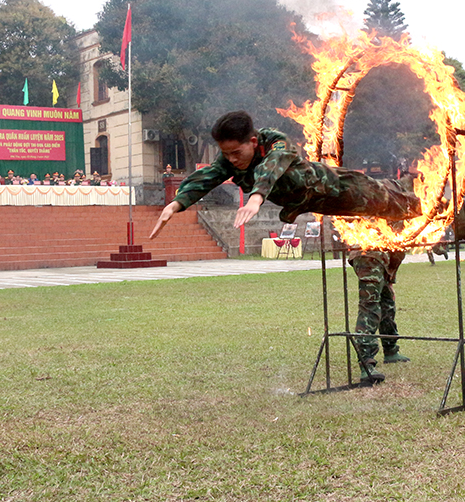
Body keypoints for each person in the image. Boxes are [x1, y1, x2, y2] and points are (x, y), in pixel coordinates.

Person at [150, 111, 422, 239]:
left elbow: (274, 164)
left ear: (253, 141)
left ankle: (436, 204)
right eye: (227, 154)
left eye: (236, 152)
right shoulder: (229, 161)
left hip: (338, 186)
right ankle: (413, 194)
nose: (232, 159)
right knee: (384, 209)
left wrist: (256, 198)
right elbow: (205, 177)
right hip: (318, 204)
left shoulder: (275, 141)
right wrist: (175, 204)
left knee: (395, 202)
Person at [349, 247, 409, 384]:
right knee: (370, 306)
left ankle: (391, 349)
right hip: (368, 256)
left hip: (383, 260)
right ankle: (366, 363)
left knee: (387, 304)